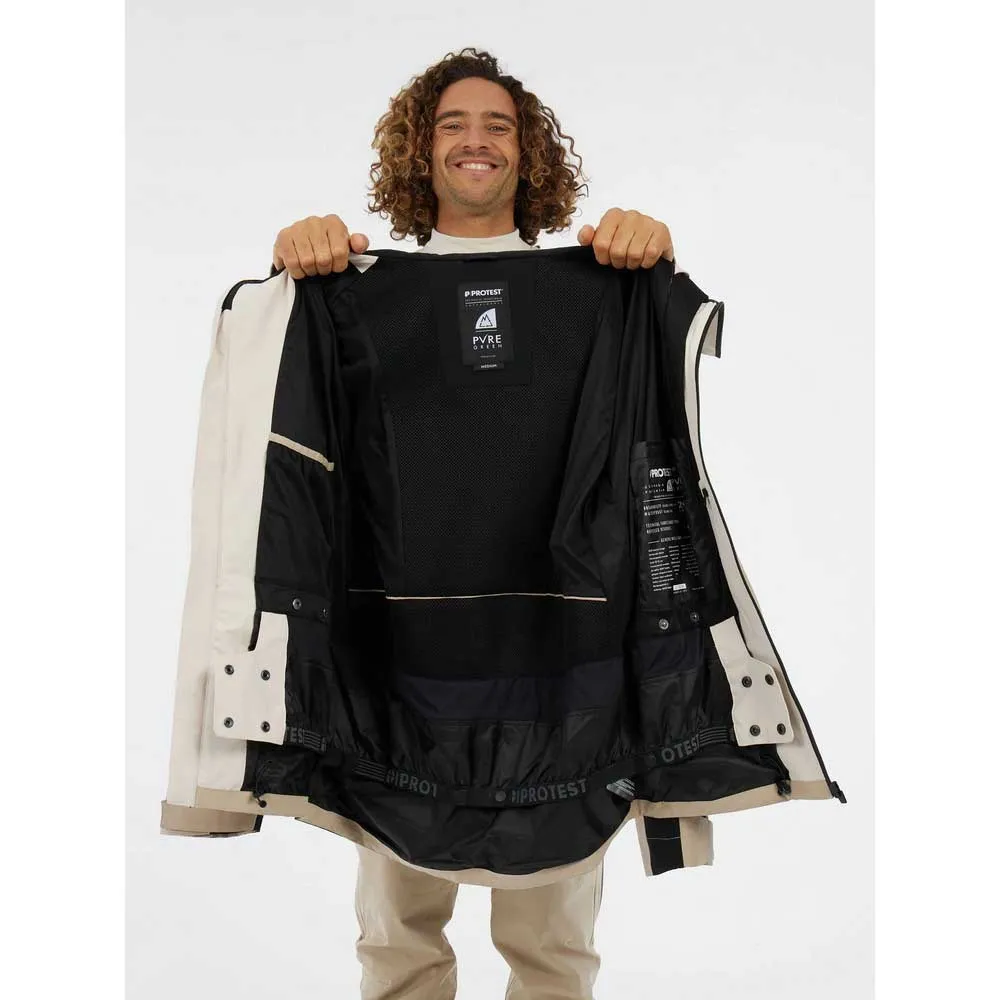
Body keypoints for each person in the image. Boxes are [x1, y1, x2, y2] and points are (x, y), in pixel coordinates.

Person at [269, 47, 678, 1000]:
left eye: (498, 125)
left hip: (562, 661)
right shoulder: (353, 293)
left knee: (554, 951)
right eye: (452, 124)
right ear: (421, 151)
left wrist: (653, 251)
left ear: (529, 154)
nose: (476, 140)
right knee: (398, 948)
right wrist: (293, 263)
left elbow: (652, 419)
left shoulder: (604, 289)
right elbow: (295, 417)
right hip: (402, 663)